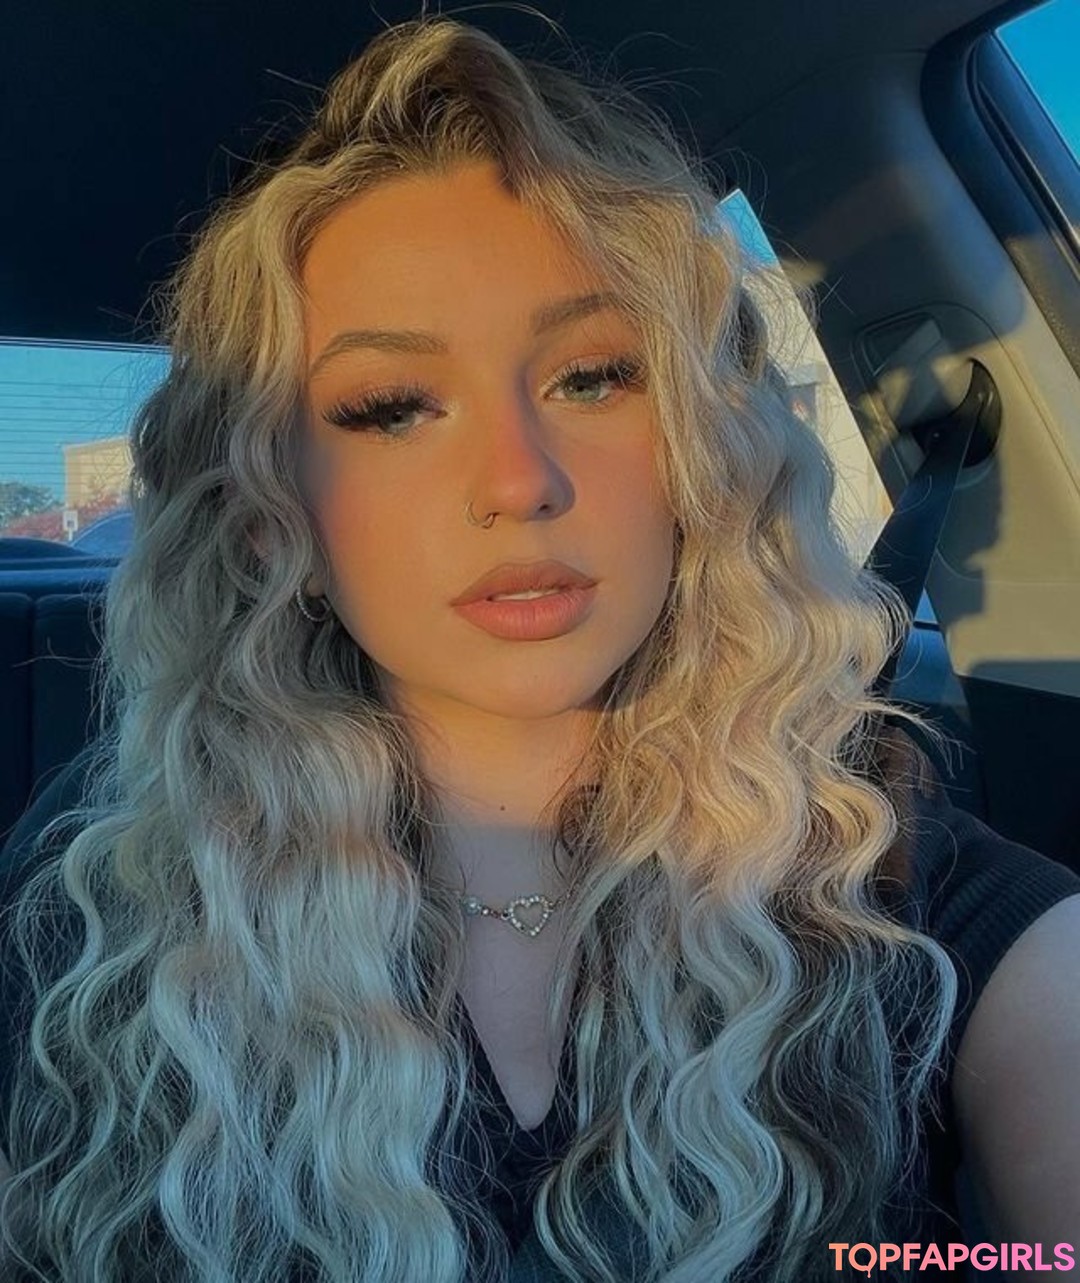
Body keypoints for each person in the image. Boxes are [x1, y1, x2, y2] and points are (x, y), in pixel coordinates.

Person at [0, 15, 1078, 1283]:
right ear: (265, 512)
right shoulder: (99, 909)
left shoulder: (888, 873)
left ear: (702, 447)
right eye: (390, 407)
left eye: (594, 375)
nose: (519, 480)